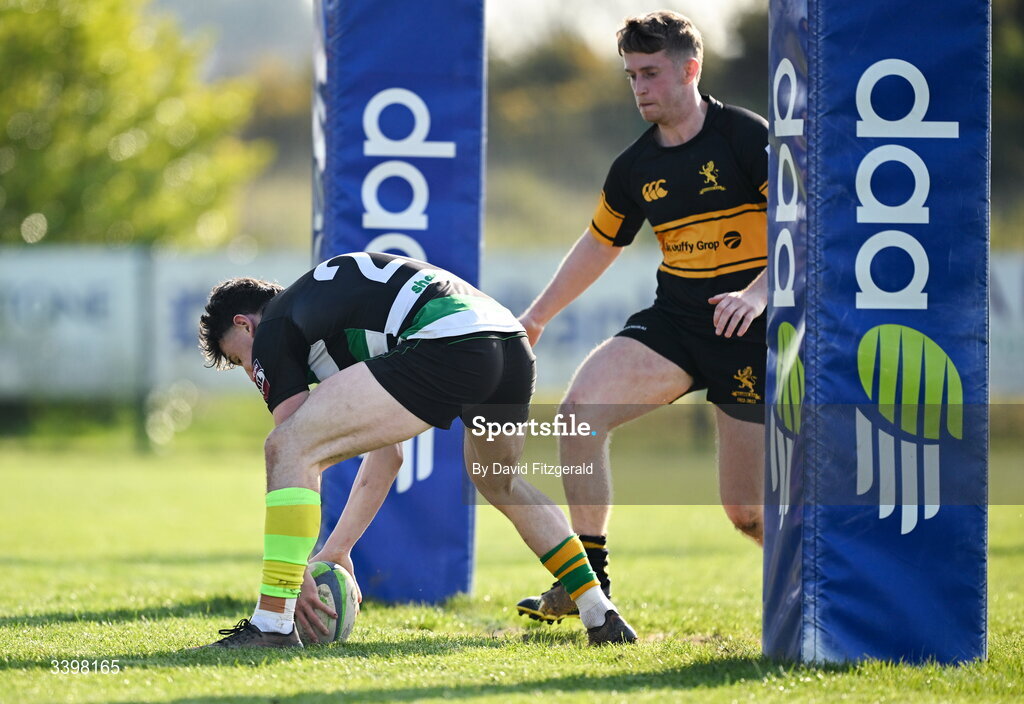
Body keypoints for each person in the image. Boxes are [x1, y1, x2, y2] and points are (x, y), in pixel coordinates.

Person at [192, 251, 636, 648]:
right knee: (500, 482)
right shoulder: (324, 315)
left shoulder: (274, 329)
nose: (251, 370)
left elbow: (292, 449)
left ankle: (271, 624)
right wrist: (336, 550)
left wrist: (294, 575)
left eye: (239, 359)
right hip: (508, 342)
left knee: (284, 445)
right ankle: (600, 612)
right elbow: (388, 456)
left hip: (449, 343)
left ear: (244, 325)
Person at [515, 11, 768, 624]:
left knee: (748, 514)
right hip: (677, 325)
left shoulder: (745, 136)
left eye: (651, 73)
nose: (640, 88)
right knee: (577, 418)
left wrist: (759, 295)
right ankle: (586, 585)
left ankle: (831, 581)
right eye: (631, 75)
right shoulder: (634, 167)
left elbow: (807, 228)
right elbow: (601, 242)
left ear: (691, 68)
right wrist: (538, 315)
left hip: (751, 331)